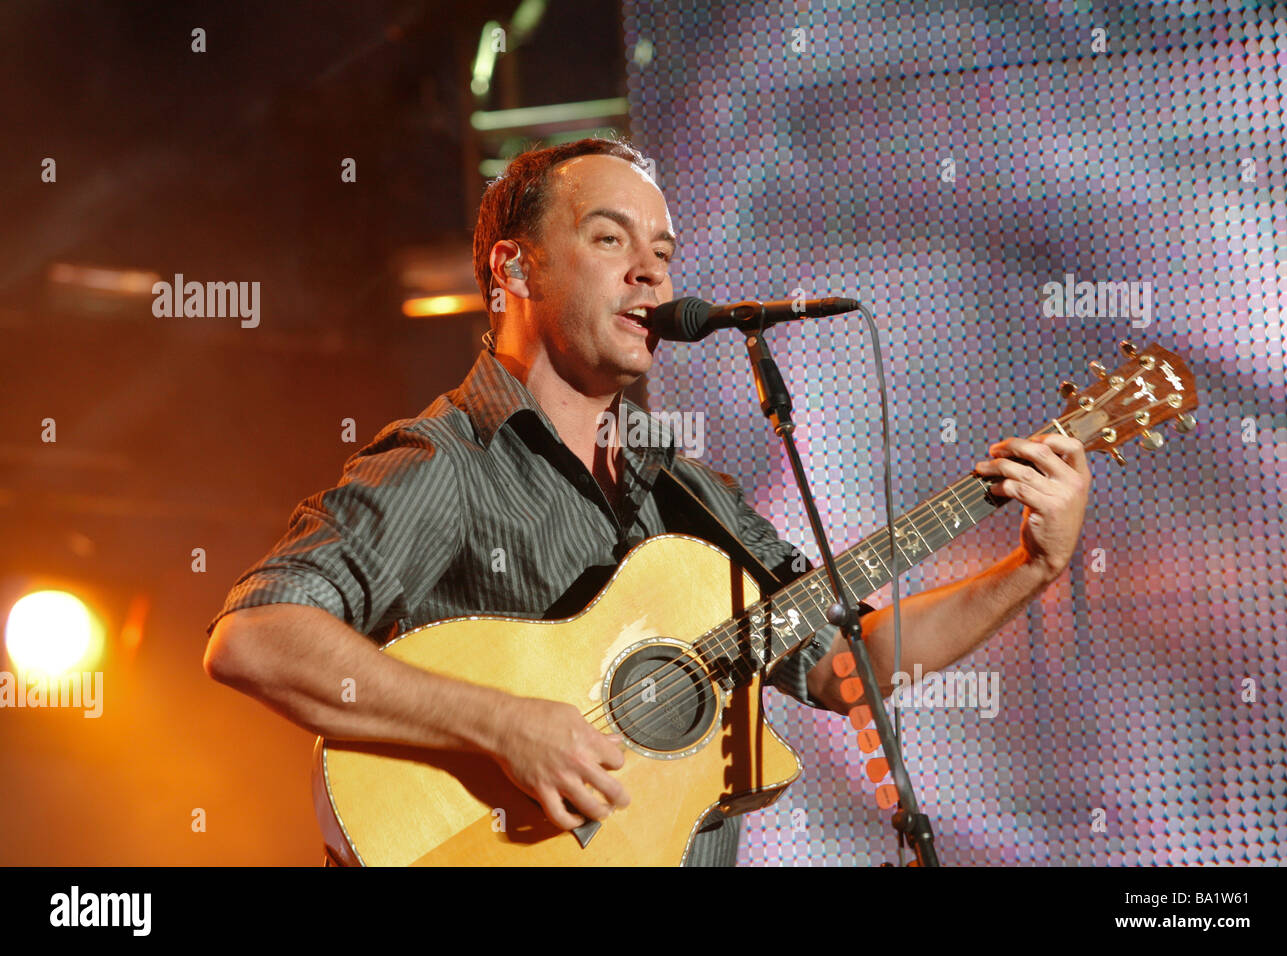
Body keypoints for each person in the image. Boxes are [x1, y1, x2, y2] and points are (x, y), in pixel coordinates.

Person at [203, 137, 1091, 866]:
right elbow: (256, 637)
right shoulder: (451, 461)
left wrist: (1032, 565)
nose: (651, 277)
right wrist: (505, 725)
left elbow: (842, 665)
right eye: (610, 240)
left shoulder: (691, 495)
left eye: (663, 254)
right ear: (514, 268)